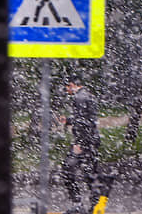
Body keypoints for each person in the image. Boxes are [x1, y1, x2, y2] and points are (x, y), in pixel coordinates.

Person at [59, 74, 101, 214]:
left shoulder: (79, 98)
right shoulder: (88, 95)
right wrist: (69, 120)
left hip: (85, 142)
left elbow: (83, 123)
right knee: (91, 174)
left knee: (67, 170)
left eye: (67, 89)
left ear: (71, 85)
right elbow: (87, 119)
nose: (67, 92)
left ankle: (78, 204)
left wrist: (80, 144)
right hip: (92, 140)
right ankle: (95, 206)